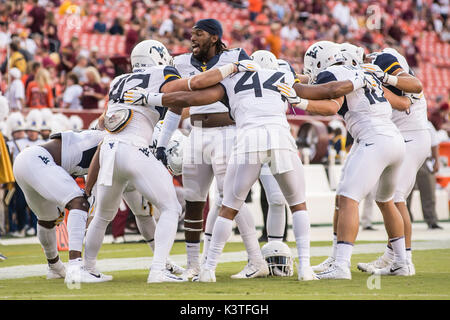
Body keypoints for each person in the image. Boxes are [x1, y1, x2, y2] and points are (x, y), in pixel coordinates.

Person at [83, 38, 256, 283]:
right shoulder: (161, 72)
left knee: (102, 214)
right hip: (135, 148)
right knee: (171, 208)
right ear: (158, 57)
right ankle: (158, 269)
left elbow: (104, 121)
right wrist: (231, 68)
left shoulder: (117, 81)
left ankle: (87, 268)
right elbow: (193, 84)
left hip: (110, 149)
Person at [281, 41, 409, 279]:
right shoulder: (361, 72)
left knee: (349, 199)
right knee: (382, 200)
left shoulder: (335, 74)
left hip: (373, 139)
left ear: (320, 61)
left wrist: (290, 90)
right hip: (393, 139)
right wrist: (297, 90)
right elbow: (327, 98)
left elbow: (327, 93)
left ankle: (341, 264)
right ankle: (402, 261)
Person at [152, 19, 268, 281]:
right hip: (195, 134)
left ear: (215, 37)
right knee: (193, 201)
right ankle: (193, 264)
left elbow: (252, 92)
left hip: (228, 132)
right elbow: (175, 106)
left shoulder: (236, 56)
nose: (192, 38)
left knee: (230, 196)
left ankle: (256, 259)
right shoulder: (180, 63)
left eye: (199, 34)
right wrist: (162, 142)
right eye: (191, 34)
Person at [354, 47, 430, 276]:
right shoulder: (374, 65)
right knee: (385, 197)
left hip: (411, 134)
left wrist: (383, 78)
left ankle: (404, 260)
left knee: (395, 198)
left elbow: (413, 89)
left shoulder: (383, 59)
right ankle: (392, 255)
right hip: (402, 134)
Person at [13, 121, 111, 283]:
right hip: (38, 160)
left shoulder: (92, 139)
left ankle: (55, 267)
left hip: (27, 161)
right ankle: (75, 267)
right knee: (79, 203)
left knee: (47, 219)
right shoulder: (107, 141)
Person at [407, 121, 443, 230]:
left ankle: (432, 220)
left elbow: (434, 143)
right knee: (404, 194)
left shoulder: (427, 123)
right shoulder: (402, 119)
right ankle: (406, 220)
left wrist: (436, 160)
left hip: (424, 160)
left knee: (429, 192)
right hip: (407, 159)